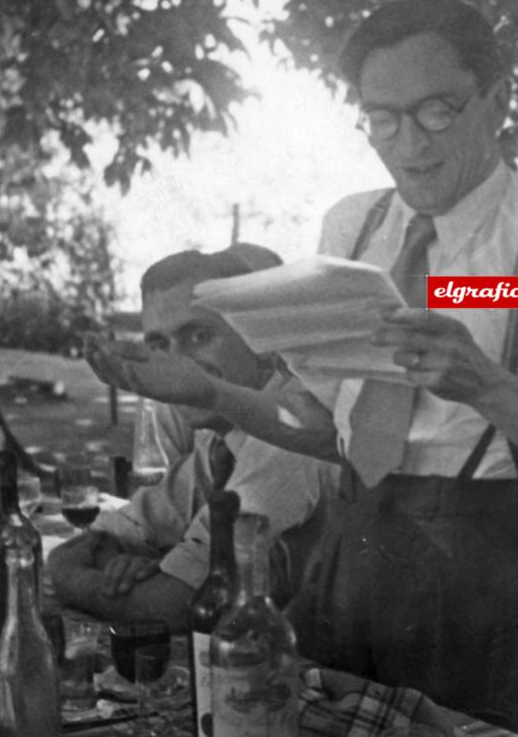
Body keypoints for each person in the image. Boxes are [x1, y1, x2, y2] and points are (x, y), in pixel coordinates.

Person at [87, 0, 518, 731]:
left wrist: (487, 385)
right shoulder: (356, 225)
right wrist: (210, 387)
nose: (408, 142)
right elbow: (320, 427)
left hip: (490, 578)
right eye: (382, 118)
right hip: (355, 553)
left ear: (498, 100)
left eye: (436, 110)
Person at [55, 246, 339, 629]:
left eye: (199, 335)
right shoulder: (217, 440)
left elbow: (173, 605)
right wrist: (129, 569)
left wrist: (73, 579)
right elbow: (110, 532)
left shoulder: (285, 432)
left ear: (258, 339)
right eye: (159, 345)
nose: (175, 365)